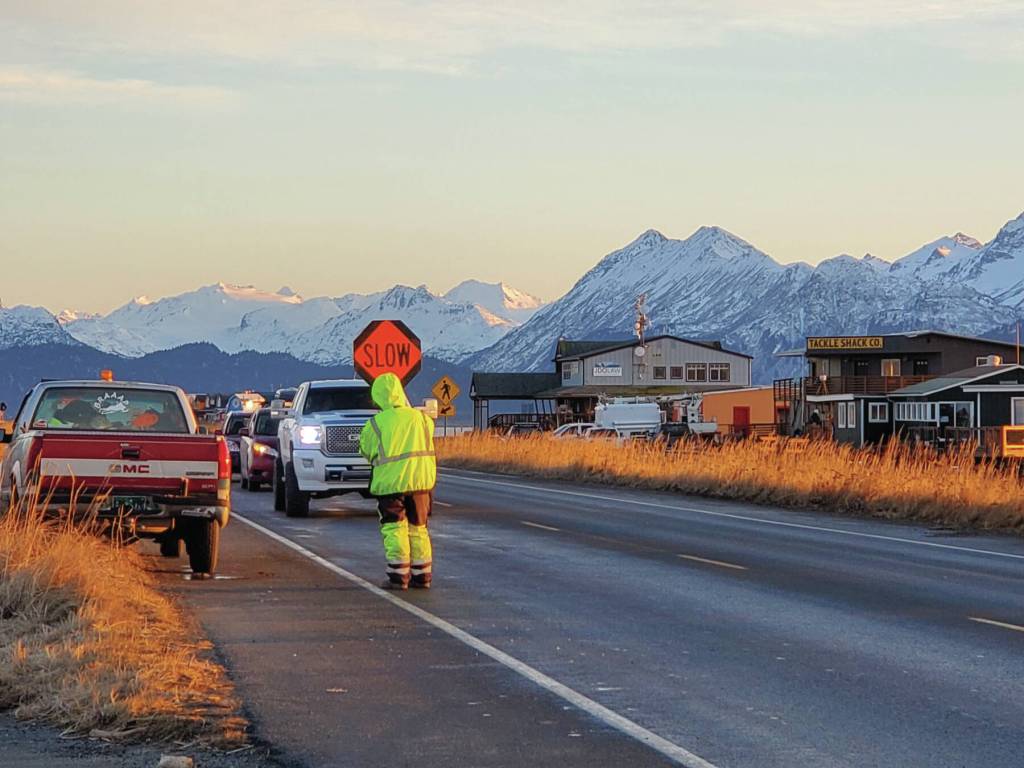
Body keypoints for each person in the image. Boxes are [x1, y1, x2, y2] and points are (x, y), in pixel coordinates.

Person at [359, 372, 437, 590]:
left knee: (394, 529)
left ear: (379, 397)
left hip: (391, 484)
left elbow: (366, 449)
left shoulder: (376, 423)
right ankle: (422, 576)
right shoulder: (421, 418)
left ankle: (398, 575)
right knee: (419, 528)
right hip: (421, 483)